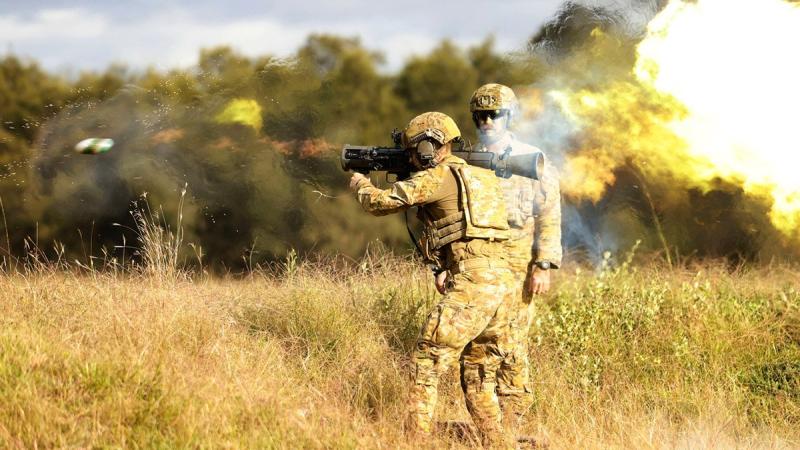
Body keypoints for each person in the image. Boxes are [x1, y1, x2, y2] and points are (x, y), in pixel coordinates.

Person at [349, 111, 517, 448]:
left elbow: (382, 203)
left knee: (428, 359)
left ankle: (416, 441)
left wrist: (359, 183)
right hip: (503, 285)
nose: (411, 156)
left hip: (473, 282)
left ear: (428, 147)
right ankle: (498, 443)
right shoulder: (482, 177)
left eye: (413, 150)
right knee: (480, 374)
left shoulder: (436, 176)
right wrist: (442, 266)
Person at [466, 83, 563, 434]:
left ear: (509, 117)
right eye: (481, 115)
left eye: (495, 115)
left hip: (518, 265)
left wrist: (544, 264)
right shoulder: (466, 162)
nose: (488, 121)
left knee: (514, 347)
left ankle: (514, 427)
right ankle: (491, 434)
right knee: (477, 347)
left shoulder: (530, 158)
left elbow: (549, 213)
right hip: (476, 265)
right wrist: (442, 266)